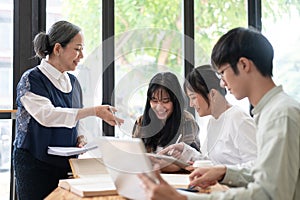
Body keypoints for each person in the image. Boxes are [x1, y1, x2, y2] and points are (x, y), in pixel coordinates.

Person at [138, 27, 300, 200]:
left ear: (244, 65)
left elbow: (269, 194)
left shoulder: (280, 115)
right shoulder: (270, 112)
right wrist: (224, 171)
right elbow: (264, 170)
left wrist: (183, 199)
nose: (222, 84)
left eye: (222, 72)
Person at [13, 20, 123, 200]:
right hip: (34, 164)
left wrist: (81, 137)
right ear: (58, 49)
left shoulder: (73, 82)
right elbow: (47, 116)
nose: (81, 55)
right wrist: (94, 111)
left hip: (67, 164)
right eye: (77, 49)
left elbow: (76, 119)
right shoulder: (32, 79)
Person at [159, 65, 257, 168]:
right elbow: (210, 162)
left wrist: (223, 172)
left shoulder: (238, 119)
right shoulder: (213, 121)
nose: (191, 104)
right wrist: (184, 150)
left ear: (213, 94)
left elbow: (257, 166)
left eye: (193, 98)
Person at [132, 72, 200, 154]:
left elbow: (190, 159)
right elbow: (134, 154)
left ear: (175, 101)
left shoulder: (187, 121)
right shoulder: (141, 122)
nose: (159, 107)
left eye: (165, 101)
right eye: (154, 100)